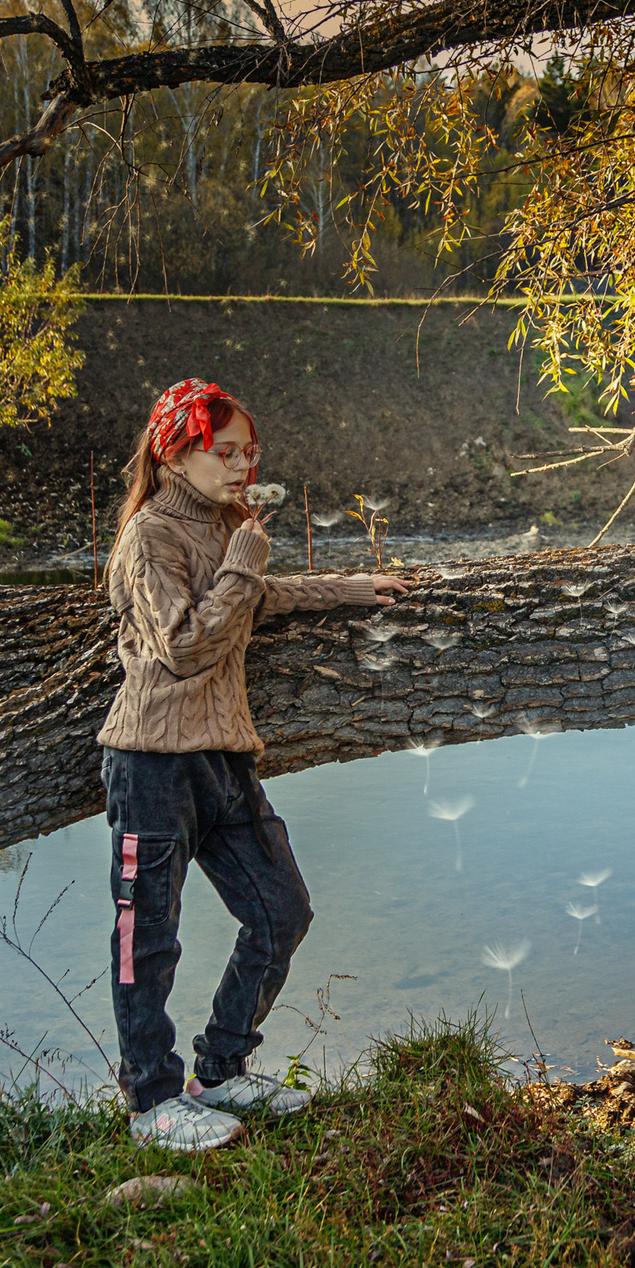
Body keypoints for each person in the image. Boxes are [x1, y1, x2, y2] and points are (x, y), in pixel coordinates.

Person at [99, 378, 407, 1151]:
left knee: (281, 910)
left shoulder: (218, 528)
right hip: (152, 765)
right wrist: (244, 557)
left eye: (249, 453)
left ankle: (222, 1067)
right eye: (224, 452)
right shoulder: (149, 538)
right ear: (175, 452)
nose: (242, 467)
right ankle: (152, 1102)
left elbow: (256, 596)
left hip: (223, 761)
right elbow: (186, 645)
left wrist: (351, 589)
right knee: (149, 936)